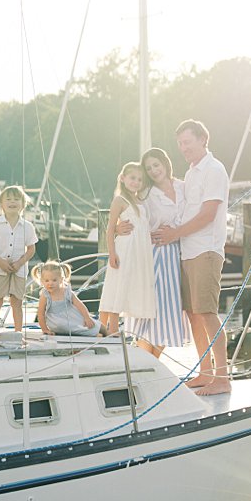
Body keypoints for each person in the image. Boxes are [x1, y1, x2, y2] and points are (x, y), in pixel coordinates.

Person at [151, 120, 230, 395]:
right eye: (180, 144)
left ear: (203, 139)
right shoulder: (192, 172)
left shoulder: (214, 170)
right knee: (194, 314)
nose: (184, 148)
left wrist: (175, 234)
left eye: (188, 142)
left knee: (207, 312)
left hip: (206, 250)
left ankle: (222, 377)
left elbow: (208, 214)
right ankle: (205, 372)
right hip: (187, 250)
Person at [126, 147, 190, 357]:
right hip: (153, 254)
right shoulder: (146, 193)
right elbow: (130, 214)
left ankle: (151, 364)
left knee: (168, 314)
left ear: (165, 163)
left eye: (156, 164)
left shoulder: (183, 187)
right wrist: (117, 227)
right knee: (150, 313)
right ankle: (147, 364)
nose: (154, 170)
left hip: (176, 255)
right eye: (149, 168)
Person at [99, 162, 156, 336]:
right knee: (117, 285)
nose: (136, 182)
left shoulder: (140, 200)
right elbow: (109, 229)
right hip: (124, 249)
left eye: (139, 179)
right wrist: (112, 253)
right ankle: (110, 329)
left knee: (128, 285)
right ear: (123, 178)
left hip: (138, 252)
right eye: (132, 178)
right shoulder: (120, 200)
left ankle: (114, 329)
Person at [0, 185, 37, 345]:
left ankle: (19, 334)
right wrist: (1, 262)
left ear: (23, 204)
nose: (12, 202)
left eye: (16, 199)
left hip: (19, 270)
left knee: (17, 303)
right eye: (8, 199)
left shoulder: (28, 226)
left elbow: (31, 249)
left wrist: (19, 263)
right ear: (2, 204)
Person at [34, 260, 105, 338]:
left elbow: (79, 304)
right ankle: (92, 334)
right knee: (64, 325)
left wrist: (87, 317)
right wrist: (45, 329)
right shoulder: (45, 295)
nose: (50, 283)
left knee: (93, 323)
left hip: (72, 316)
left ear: (61, 279)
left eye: (54, 280)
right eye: (47, 281)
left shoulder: (66, 291)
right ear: (42, 281)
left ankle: (108, 333)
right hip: (57, 322)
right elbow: (40, 314)